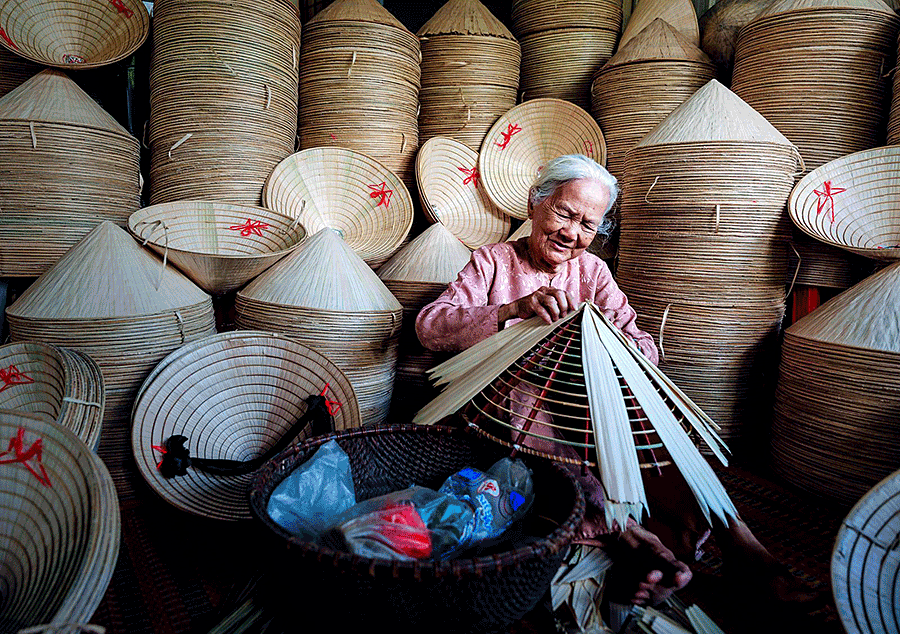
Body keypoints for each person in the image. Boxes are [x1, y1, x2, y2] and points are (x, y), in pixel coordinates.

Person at [415, 154, 819, 611]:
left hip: (590, 406)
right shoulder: (492, 261)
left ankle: (744, 546)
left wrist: (604, 345)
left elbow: (643, 344)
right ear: (534, 204)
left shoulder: (593, 272)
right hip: (510, 410)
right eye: (565, 213)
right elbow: (431, 326)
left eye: (589, 224)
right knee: (549, 416)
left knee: (661, 434)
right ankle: (635, 540)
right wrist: (512, 311)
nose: (572, 233)